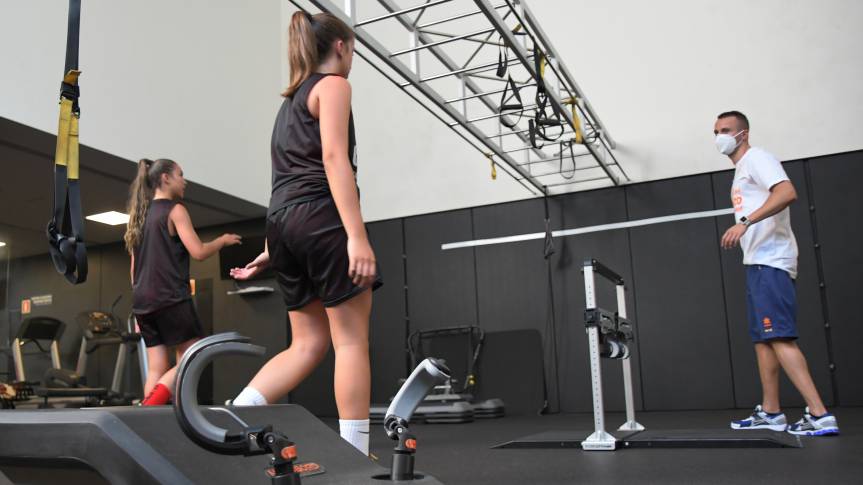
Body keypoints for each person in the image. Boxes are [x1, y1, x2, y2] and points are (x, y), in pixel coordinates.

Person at [229, 11, 382, 456]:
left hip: (283, 224)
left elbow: (288, 180)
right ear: (341, 47)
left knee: (307, 344)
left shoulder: (289, 103)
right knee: (350, 340)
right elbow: (334, 160)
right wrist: (356, 235)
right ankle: (355, 454)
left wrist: (270, 250)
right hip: (322, 217)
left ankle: (233, 419)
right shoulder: (334, 85)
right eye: (352, 49)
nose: (352, 57)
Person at [716, 111, 839, 436]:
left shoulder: (757, 158)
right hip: (756, 262)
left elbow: (786, 192)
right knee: (764, 341)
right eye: (716, 131)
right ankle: (771, 412)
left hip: (772, 261)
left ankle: (820, 414)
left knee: (779, 337)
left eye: (726, 130)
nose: (720, 136)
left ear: (743, 133)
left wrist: (744, 223)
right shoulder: (741, 170)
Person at [125, 158, 241, 406]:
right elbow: (198, 251)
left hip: (142, 302)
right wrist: (221, 241)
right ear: (165, 178)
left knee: (157, 368)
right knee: (191, 355)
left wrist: (137, 312)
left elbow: (134, 270)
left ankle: (148, 422)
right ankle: (152, 407)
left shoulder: (139, 218)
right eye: (180, 174)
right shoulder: (175, 210)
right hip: (170, 298)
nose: (184, 180)